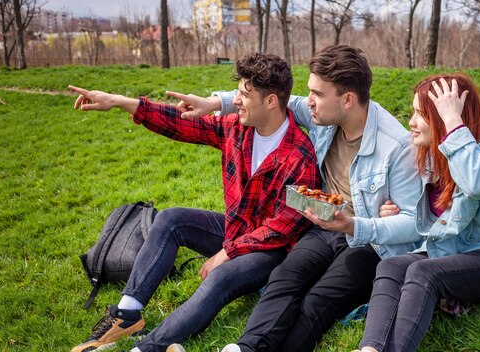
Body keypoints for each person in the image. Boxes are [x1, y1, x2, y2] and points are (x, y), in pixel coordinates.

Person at [169, 45, 424, 352]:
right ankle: (245, 348)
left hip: (369, 241)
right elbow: (273, 99)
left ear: (346, 99)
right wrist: (214, 102)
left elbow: (414, 224)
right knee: (284, 277)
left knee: (317, 300)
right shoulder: (324, 115)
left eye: (317, 94)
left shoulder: (396, 147)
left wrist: (356, 225)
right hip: (323, 226)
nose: (309, 103)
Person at [67, 53, 320, 352]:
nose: (235, 100)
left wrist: (226, 253)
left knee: (222, 275)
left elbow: (282, 228)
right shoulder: (236, 128)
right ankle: (128, 313)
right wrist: (121, 101)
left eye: (244, 95)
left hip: (271, 252)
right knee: (172, 219)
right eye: (238, 91)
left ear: (271, 102)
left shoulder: (300, 156)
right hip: (236, 231)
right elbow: (181, 124)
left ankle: (147, 348)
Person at [356, 73, 480, 352]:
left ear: (446, 116)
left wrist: (454, 124)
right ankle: (369, 348)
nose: (412, 123)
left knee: (423, 272)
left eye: (422, 114)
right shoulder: (431, 151)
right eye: (413, 112)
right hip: (456, 252)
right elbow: (432, 213)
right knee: (391, 266)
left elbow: (479, 184)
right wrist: (391, 210)